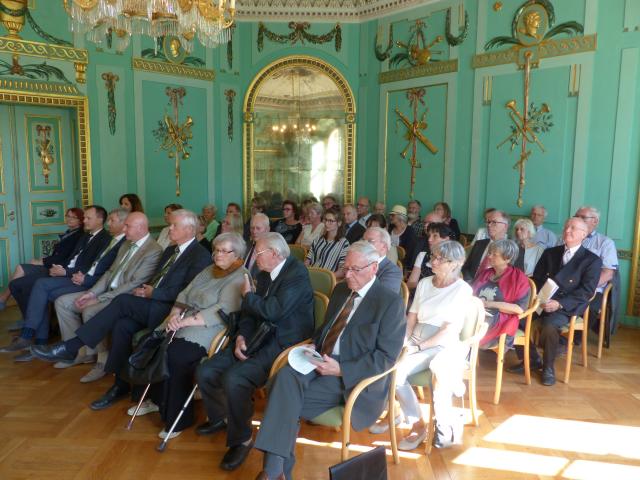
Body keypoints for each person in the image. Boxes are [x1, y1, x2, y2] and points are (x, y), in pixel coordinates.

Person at [253, 241, 406, 479]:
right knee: (282, 378)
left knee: (282, 399)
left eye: (356, 269)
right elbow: (327, 328)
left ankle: (273, 473)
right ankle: (277, 473)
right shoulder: (341, 290)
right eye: (346, 268)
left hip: (351, 377)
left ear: (374, 268)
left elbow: (386, 357)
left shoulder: (389, 302)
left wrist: (341, 369)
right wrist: (314, 344)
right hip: (319, 359)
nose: (348, 275)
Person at [195, 233, 314, 472]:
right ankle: (223, 417)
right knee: (206, 370)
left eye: (257, 252)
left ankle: (242, 439)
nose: (254, 257)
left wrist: (248, 295)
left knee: (235, 378)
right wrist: (241, 335)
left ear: (274, 254)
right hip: (256, 335)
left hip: (281, 342)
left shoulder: (297, 274)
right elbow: (249, 313)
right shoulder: (262, 272)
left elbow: (274, 311)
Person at [126, 233, 248, 439]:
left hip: (209, 328)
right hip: (183, 318)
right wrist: (174, 314)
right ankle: (156, 399)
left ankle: (178, 418)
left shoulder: (239, 276)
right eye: (216, 250)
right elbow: (184, 293)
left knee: (175, 356)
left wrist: (182, 322)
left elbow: (221, 310)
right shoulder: (210, 270)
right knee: (152, 343)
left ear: (236, 255)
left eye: (223, 251)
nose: (217, 255)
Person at [30, 212, 163, 381]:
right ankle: (79, 352)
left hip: (123, 296)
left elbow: (134, 284)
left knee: (90, 311)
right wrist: (91, 293)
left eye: (127, 226)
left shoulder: (153, 250)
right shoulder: (126, 244)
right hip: (106, 290)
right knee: (63, 302)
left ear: (141, 228)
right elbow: (109, 273)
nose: (124, 229)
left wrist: (100, 298)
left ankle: (101, 361)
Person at [369, 240, 471, 451]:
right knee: (380, 357)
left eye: (440, 259)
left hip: (440, 343)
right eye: (433, 256)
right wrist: (404, 340)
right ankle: (394, 411)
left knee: (396, 373)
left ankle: (418, 425)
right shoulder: (425, 283)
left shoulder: (462, 290)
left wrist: (417, 348)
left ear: (455, 263)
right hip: (416, 336)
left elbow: (448, 330)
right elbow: (412, 317)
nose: (433, 261)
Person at [0, 208, 125, 361]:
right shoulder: (86, 236)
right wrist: (60, 268)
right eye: (84, 218)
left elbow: (93, 267)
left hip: (81, 280)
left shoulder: (105, 239)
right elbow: (72, 259)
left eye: (88, 218)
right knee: (36, 289)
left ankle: (32, 337)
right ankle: (37, 341)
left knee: (41, 287)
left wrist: (65, 272)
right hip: (69, 273)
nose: (84, 221)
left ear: (99, 220)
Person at [508, 217, 601, 386]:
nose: (567, 230)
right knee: (515, 318)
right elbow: (537, 279)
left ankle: (548, 367)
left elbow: (586, 291)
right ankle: (532, 359)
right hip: (542, 301)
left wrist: (559, 303)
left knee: (549, 326)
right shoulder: (550, 253)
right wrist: (537, 298)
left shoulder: (592, 260)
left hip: (567, 306)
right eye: (566, 227)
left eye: (573, 228)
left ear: (584, 234)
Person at [0, 207, 84, 313]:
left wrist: (42, 262)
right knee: (20, 269)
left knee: (20, 275)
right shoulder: (70, 233)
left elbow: (63, 258)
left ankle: (3, 300)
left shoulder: (78, 236)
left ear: (80, 220)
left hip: (57, 269)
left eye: (73, 217)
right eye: (68, 216)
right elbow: (59, 255)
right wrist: (43, 259)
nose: (69, 219)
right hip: (52, 264)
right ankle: (4, 300)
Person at [472, 239, 531, 349]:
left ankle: (466, 351)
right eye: (490, 253)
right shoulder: (486, 273)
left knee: (474, 323)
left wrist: (488, 304)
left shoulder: (518, 278)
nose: (489, 256)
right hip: (477, 311)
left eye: (494, 254)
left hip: (500, 320)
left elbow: (519, 309)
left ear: (507, 258)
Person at [574, 206, 619, 334]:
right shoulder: (567, 237)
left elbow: (608, 273)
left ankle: (573, 338)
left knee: (589, 307)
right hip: (567, 285)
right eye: (576, 217)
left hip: (593, 289)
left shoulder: (605, 243)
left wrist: (585, 286)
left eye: (583, 217)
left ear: (595, 221)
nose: (578, 220)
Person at [462, 210, 525, 282]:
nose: (489, 225)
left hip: (496, 287)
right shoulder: (479, 244)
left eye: (494, 222)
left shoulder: (514, 250)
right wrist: (469, 281)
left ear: (505, 226)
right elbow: (466, 267)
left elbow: (517, 278)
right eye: (488, 222)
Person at [305, 209, 349, 280]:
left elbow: (342, 271)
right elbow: (307, 260)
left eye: (330, 221)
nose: (326, 223)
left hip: (327, 279)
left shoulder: (344, 244)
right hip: (311, 275)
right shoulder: (318, 239)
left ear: (339, 223)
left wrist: (326, 278)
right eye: (325, 220)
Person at [407, 222, 454, 290]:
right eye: (429, 236)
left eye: (435, 236)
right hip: (420, 292)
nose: (429, 239)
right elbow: (410, 284)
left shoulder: (451, 261)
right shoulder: (422, 255)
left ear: (446, 239)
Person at [389, 205, 418, 271]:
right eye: (390, 215)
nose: (390, 217)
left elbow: (410, 253)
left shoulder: (410, 231)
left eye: (393, 215)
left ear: (400, 217)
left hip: (400, 265)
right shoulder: (390, 228)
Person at [244, 213, 271, 277]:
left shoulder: (271, 250)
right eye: (252, 228)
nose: (254, 231)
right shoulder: (246, 245)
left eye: (258, 228)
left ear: (267, 229)